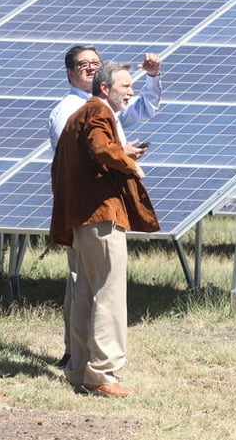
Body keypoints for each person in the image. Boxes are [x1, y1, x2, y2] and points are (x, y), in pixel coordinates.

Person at [49, 60, 160, 397]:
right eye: (125, 87)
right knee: (110, 294)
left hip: (82, 217)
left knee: (86, 292)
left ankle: (80, 368)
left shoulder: (80, 115)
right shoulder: (98, 112)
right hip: (102, 215)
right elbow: (101, 148)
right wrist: (129, 165)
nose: (130, 92)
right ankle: (104, 372)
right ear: (105, 89)